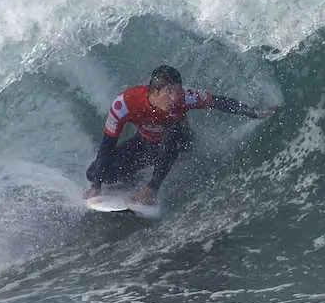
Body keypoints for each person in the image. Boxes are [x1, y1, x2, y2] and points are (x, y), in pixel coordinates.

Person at [85, 65, 278, 205]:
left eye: (178, 91)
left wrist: (253, 112)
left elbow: (218, 102)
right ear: (155, 91)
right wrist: (96, 185)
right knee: (95, 172)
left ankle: (151, 189)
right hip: (148, 145)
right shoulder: (124, 104)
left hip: (181, 144)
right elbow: (107, 145)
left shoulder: (186, 98)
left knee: (174, 129)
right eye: (169, 92)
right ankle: (133, 181)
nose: (175, 98)